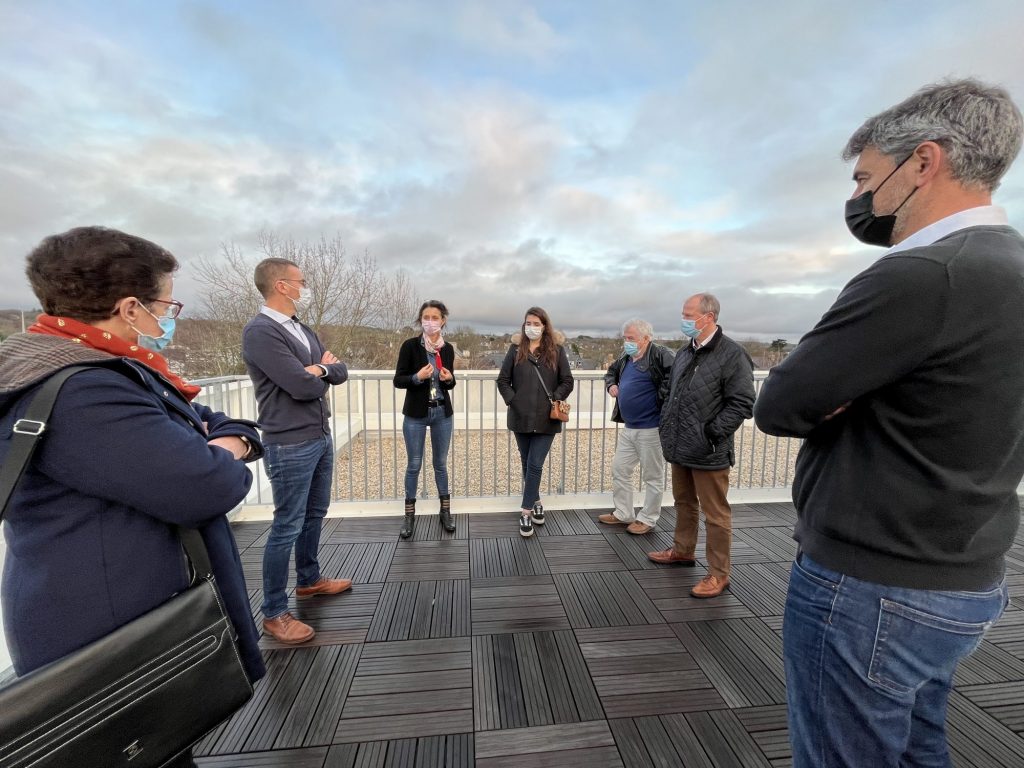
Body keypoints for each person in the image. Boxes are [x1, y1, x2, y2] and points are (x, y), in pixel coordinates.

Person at [754, 79, 1024, 767]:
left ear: (924, 162)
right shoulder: (1011, 269)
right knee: (914, 747)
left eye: (868, 178)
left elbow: (781, 403)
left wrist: (843, 394)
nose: (862, 199)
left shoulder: (924, 275)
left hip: (869, 585)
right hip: (965, 574)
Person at [0, 227, 265, 768]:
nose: (170, 316)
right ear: (129, 308)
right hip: (111, 634)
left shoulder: (93, 368)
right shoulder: (85, 390)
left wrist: (223, 437)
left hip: (119, 617)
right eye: (167, 302)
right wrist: (233, 445)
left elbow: (204, 421)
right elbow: (209, 484)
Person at [241, 258, 351, 646]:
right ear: (282, 286)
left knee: (314, 514)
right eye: (300, 281)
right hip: (288, 442)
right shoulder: (261, 332)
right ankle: (274, 612)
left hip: (319, 436)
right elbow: (301, 386)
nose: (305, 286)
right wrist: (319, 372)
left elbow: (340, 371)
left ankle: (309, 580)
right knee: (286, 524)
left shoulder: (301, 329)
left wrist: (318, 370)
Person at [648, 293, 754, 598]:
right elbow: (673, 391)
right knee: (683, 502)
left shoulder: (732, 354)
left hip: (709, 450)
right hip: (680, 446)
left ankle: (719, 574)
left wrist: (712, 433)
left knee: (716, 514)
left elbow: (743, 402)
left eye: (688, 314)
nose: (683, 320)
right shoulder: (685, 352)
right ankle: (683, 550)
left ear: (708, 317)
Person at [497, 307, 574, 537]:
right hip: (520, 416)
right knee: (527, 462)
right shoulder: (515, 350)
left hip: (546, 419)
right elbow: (502, 380)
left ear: (544, 326)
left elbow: (567, 381)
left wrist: (556, 398)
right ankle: (537, 500)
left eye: (536, 323)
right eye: (528, 322)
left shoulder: (556, 351)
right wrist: (513, 400)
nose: (532, 327)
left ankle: (526, 512)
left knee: (535, 464)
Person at [600, 319, 675, 534]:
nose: (626, 342)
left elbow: (674, 380)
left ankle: (648, 518)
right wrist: (612, 385)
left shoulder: (661, 355)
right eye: (625, 338)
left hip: (651, 428)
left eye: (630, 338)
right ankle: (624, 513)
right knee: (620, 469)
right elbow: (611, 372)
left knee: (653, 476)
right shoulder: (626, 359)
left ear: (646, 338)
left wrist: (657, 401)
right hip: (630, 428)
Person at [393, 300, 457, 538]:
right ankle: (409, 516)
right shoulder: (410, 346)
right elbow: (398, 380)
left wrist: (449, 378)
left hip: (442, 413)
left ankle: (445, 512)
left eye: (435, 317)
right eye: (426, 317)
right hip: (416, 415)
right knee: (414, 464)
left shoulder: (447, 349)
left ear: (443, 320)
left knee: (440, 464)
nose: (430, 321)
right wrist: (417, 377)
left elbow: (450, 382)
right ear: (421, 320)